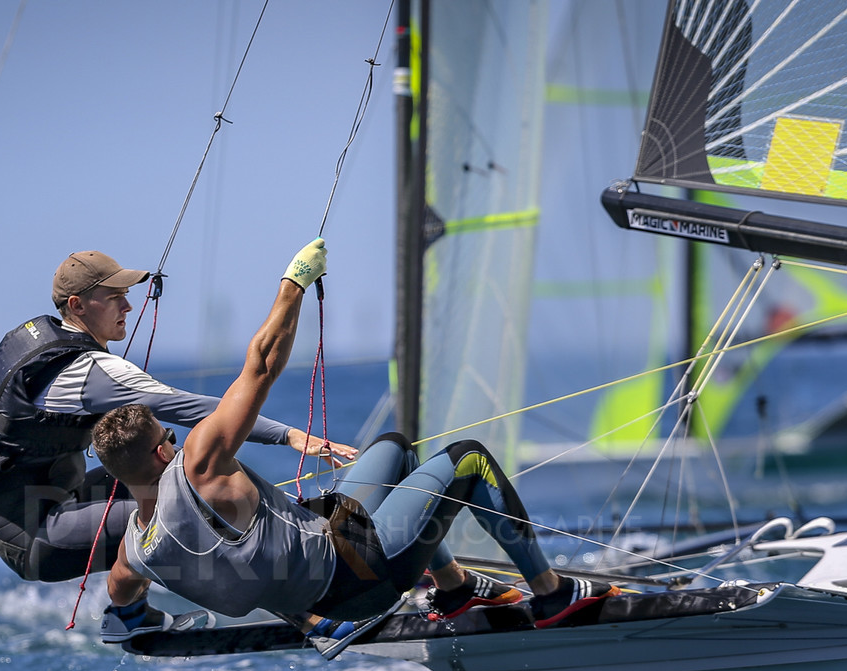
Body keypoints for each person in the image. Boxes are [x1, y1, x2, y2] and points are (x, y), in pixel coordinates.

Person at [91, 239, 616, 644]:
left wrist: (134, 618)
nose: (177, 440)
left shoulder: (137, 549)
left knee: (394, 448)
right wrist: (294, 284)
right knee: (470, 461)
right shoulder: (198, 465)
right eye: (170, 435)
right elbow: (262, 365)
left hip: (327, 556)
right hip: (359, 578)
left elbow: (119, 588)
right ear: (163, 451)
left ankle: (454, 587)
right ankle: (553, 595)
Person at [0, 249, 355, 584]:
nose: (128, 307)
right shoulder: (88, 374)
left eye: (126, 296)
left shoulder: (41, 341)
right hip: (34, 535)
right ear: (77, 305)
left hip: (40, 501)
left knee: (172, 466)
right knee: (184, 513)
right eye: (115, 297)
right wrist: (288, 435)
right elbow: (202, 411)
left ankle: (143, 605)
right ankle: (303, 600)